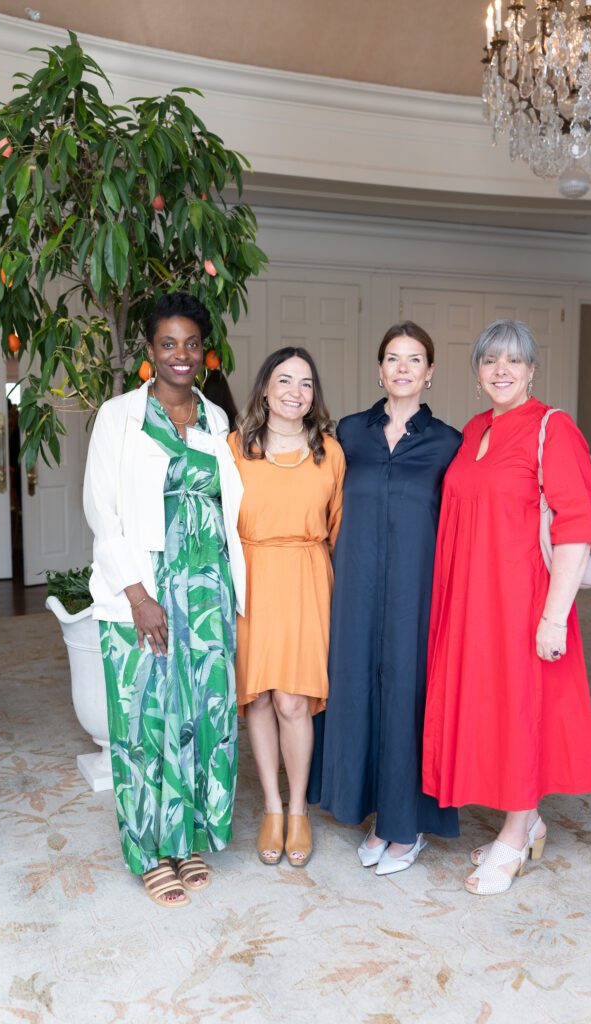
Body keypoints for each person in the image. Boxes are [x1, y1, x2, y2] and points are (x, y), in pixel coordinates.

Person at [422, 319, 591, 896]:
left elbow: (576, 528)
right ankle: (530, 822)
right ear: (477, 373)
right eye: (490, 360)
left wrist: (554, 616)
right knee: (493, 710)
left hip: (524, 602)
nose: (501, 370)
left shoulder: (554, 428)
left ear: (531, 370)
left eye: (514, 360)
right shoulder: (475, 428)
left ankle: (516, 833)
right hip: (473, 601)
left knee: (522, 713)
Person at [84, 292, 245, 907]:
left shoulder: (216, 419)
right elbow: (102, 511)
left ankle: (187, 837)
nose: (182, 354)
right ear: (150, 350)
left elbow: (229, 508)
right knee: (144, 719)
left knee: (201, 715)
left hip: (206, 589)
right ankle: (148, 850)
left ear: (204, 352)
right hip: (143, 589)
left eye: (191, 343)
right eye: (168, 343)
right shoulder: (119, 417)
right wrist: (137, 595)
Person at [308, 322, 462, 876]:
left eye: (414, 359)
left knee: (406, 696)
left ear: (429, 372)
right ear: (379, 370)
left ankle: (406, 824)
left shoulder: (449, 443)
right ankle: (375, 814)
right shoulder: (350, 433)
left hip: (416, 594)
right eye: (393, 358)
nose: (402, 368)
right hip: (355, 587)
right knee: (356, 691)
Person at [229, 348, 344, 868]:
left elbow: (339, 526)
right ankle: (271, 809)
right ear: (264, 388)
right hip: (251, 576)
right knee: (258, 700)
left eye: (306, 383)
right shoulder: (235, 448)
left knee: (293, 701)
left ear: (314, 395)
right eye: (284, 380)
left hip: (306, 576)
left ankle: (298, 810)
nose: (295, 392)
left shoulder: (330, 453)